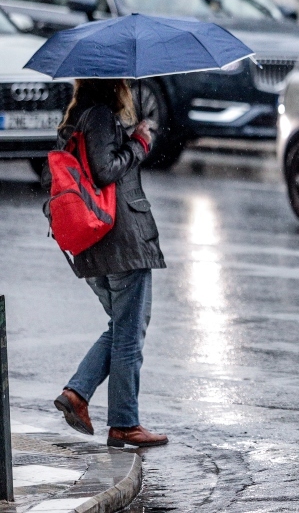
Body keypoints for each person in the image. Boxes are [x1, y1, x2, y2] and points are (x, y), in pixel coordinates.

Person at [51, 79, 169, 448]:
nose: (129, 88)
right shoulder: (101, 117)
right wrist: (139, 143)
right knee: (129, 333)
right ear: (112, 85)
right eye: (124, 82)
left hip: (96, 243)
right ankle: (123, 422)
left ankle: (79, 394)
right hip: (120, 240)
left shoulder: (76, 120)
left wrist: (129, 137)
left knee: (121, 328)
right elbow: (105, 170)